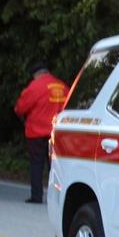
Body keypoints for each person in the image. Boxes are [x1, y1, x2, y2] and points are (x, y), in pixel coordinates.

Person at [14, 61, 69, 203]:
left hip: (37, 132)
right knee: (56, 167)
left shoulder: (35, 86)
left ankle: (36, 196)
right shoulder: (63, 86)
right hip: (57, 133)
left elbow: (20, 108)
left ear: (36, 75)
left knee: (37, 164)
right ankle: (57, 198)